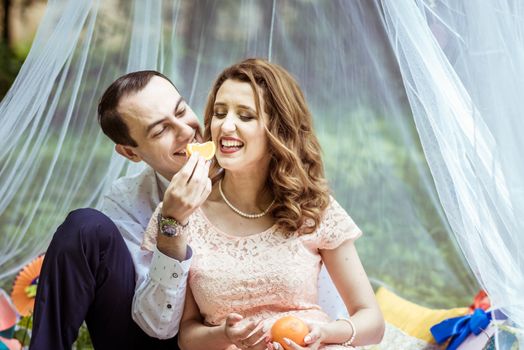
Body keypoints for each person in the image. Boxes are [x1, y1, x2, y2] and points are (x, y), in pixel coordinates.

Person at [140, 58, 385, 349]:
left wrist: (324, 334)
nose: (225, 126)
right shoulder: (184, 211)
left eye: (245, 116)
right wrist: (227, 335)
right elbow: (187, 336)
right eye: (219, 113)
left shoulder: (312, 206)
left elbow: (372, 321)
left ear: (277, 130)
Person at [29, 71, 212, 349]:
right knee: (84, 226)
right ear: (130, 153)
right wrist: (172, 222)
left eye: (181, 110)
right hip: (154, 340)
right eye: (161, 130)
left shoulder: (244, 166)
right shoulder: (127, 199)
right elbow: (157, 325)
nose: (186, 131)